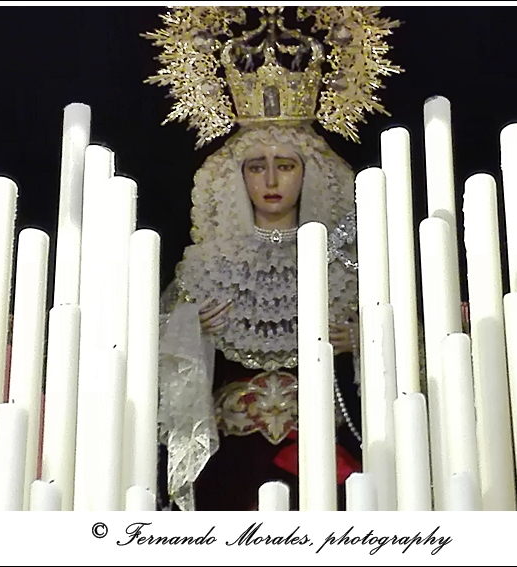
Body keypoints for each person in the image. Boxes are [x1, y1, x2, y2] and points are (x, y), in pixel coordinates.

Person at [144, 6, 403, 511]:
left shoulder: (347, 268)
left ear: (309, 175)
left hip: (322, 458)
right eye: (255, 167)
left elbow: (410, 358)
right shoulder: (206, 268)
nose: (269, 180)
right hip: (230, 464)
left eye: (284, 166)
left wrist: (368, 341)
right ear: (235, 178)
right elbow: (150, 361)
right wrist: (189, 330)